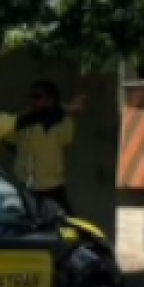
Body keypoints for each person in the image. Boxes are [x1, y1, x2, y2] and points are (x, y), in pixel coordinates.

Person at [14, 81, 84, 216]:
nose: (33, 101)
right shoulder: (24, 120)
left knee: (67, 220)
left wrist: (64, 110)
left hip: (52, 184)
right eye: (32, 97)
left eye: (37, 97)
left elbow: (66, 140)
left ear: (50, 100)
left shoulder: (63, 120)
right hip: (25, 183)